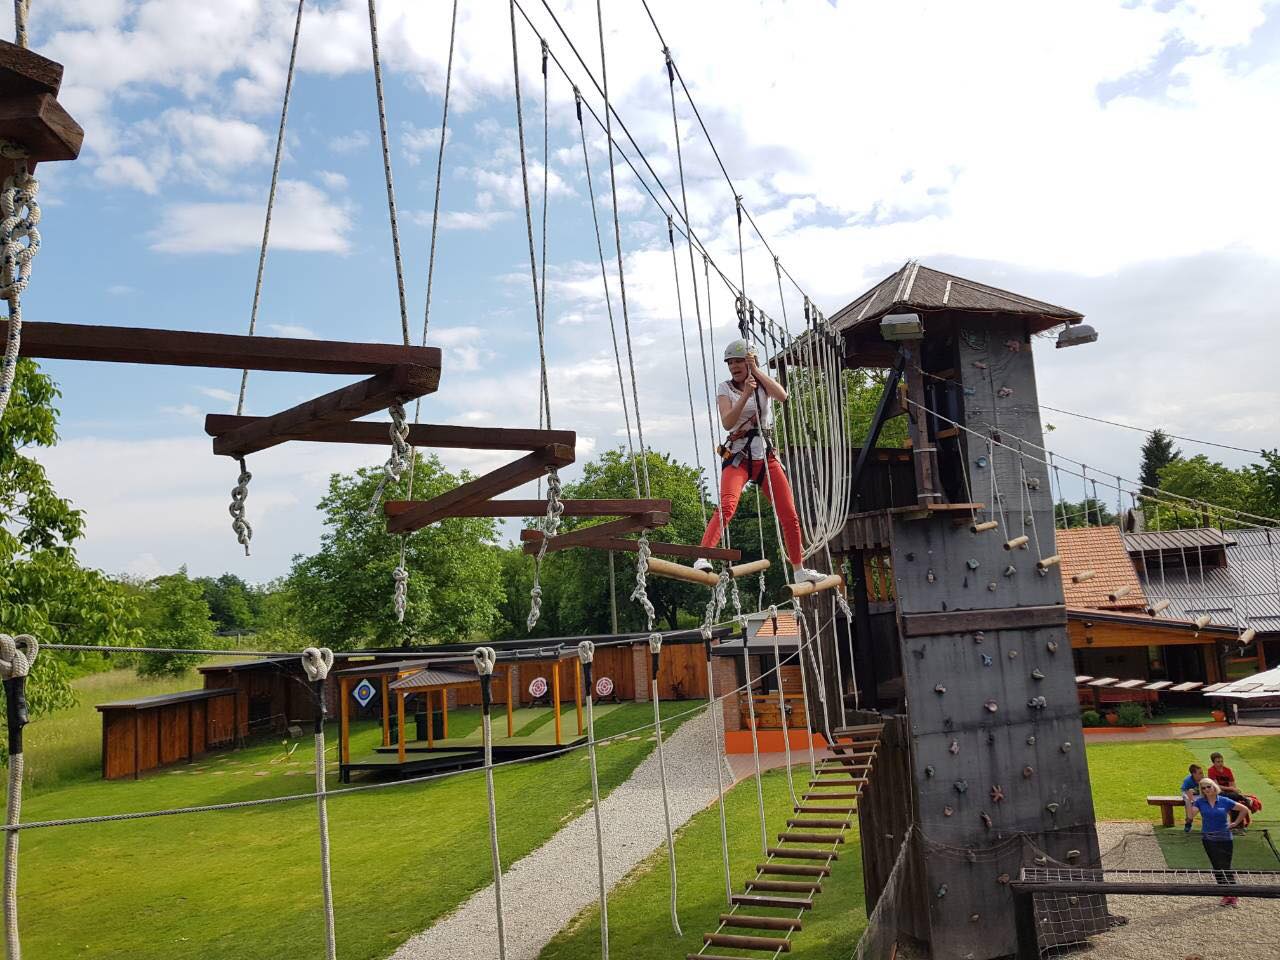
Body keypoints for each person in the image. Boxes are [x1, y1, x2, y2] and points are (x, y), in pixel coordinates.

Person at [694, 340, 826, 584]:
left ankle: (798, 570)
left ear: (749, 361)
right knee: (728, 505)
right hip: (739, 457)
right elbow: (728, 422)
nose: (733, 366)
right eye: (730, 362)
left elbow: (783, 396)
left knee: (789, 514)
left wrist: (756, 372)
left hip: (765, 457)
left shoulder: (761, 385)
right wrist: (745, 394)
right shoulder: (725, 388)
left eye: (738, 361)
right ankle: (703, 556)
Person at [1188, 778, 1251, 906]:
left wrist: (1235, 823)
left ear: (1214, 787)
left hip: (1225, 838)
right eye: (1204, 788)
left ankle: (1234, 894)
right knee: (1217, 867)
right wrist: (1189, 802)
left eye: (1208, 787)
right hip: (1208, 839)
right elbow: (1190, 816)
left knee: (1226, 867)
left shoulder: (1224, 801)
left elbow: (1244, 809)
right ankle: (1225, 894)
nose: (1206, 790)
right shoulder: (1200, 802)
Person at [1182, 763, 1203, 831]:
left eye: (1202, 773)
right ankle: (1188, 822)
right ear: (1194, 774)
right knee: (1188, 802)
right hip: (1188, 795)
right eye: (1200, 773)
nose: (1202, 775)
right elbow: (1186, 791)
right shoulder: (1188, 780)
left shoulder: (1203, 779)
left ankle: (1207, 823)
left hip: (1199, 796)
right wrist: (1192, 799)